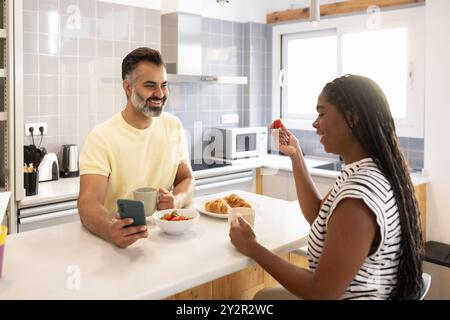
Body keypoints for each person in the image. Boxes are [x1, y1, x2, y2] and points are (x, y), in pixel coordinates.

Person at [229, 74, 424, 300]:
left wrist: (252, 246)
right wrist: (296, 156)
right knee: (264, 297)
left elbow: (322, 292)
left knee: (262, 299)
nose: (315, 123)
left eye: (322, 113)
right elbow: (318, 214)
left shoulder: (358, 197)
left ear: (352, 118)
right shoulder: (367, 171)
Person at [78, 47, 194, 248]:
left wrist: (176, 200)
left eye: (164, 85)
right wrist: (108, 228)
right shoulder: (101, 137)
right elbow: (87, 203)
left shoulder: (173, 126)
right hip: (118, 242)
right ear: (128, 87)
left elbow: (186, 179)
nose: (160, 94)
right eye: (150, 85)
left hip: (165, 239)